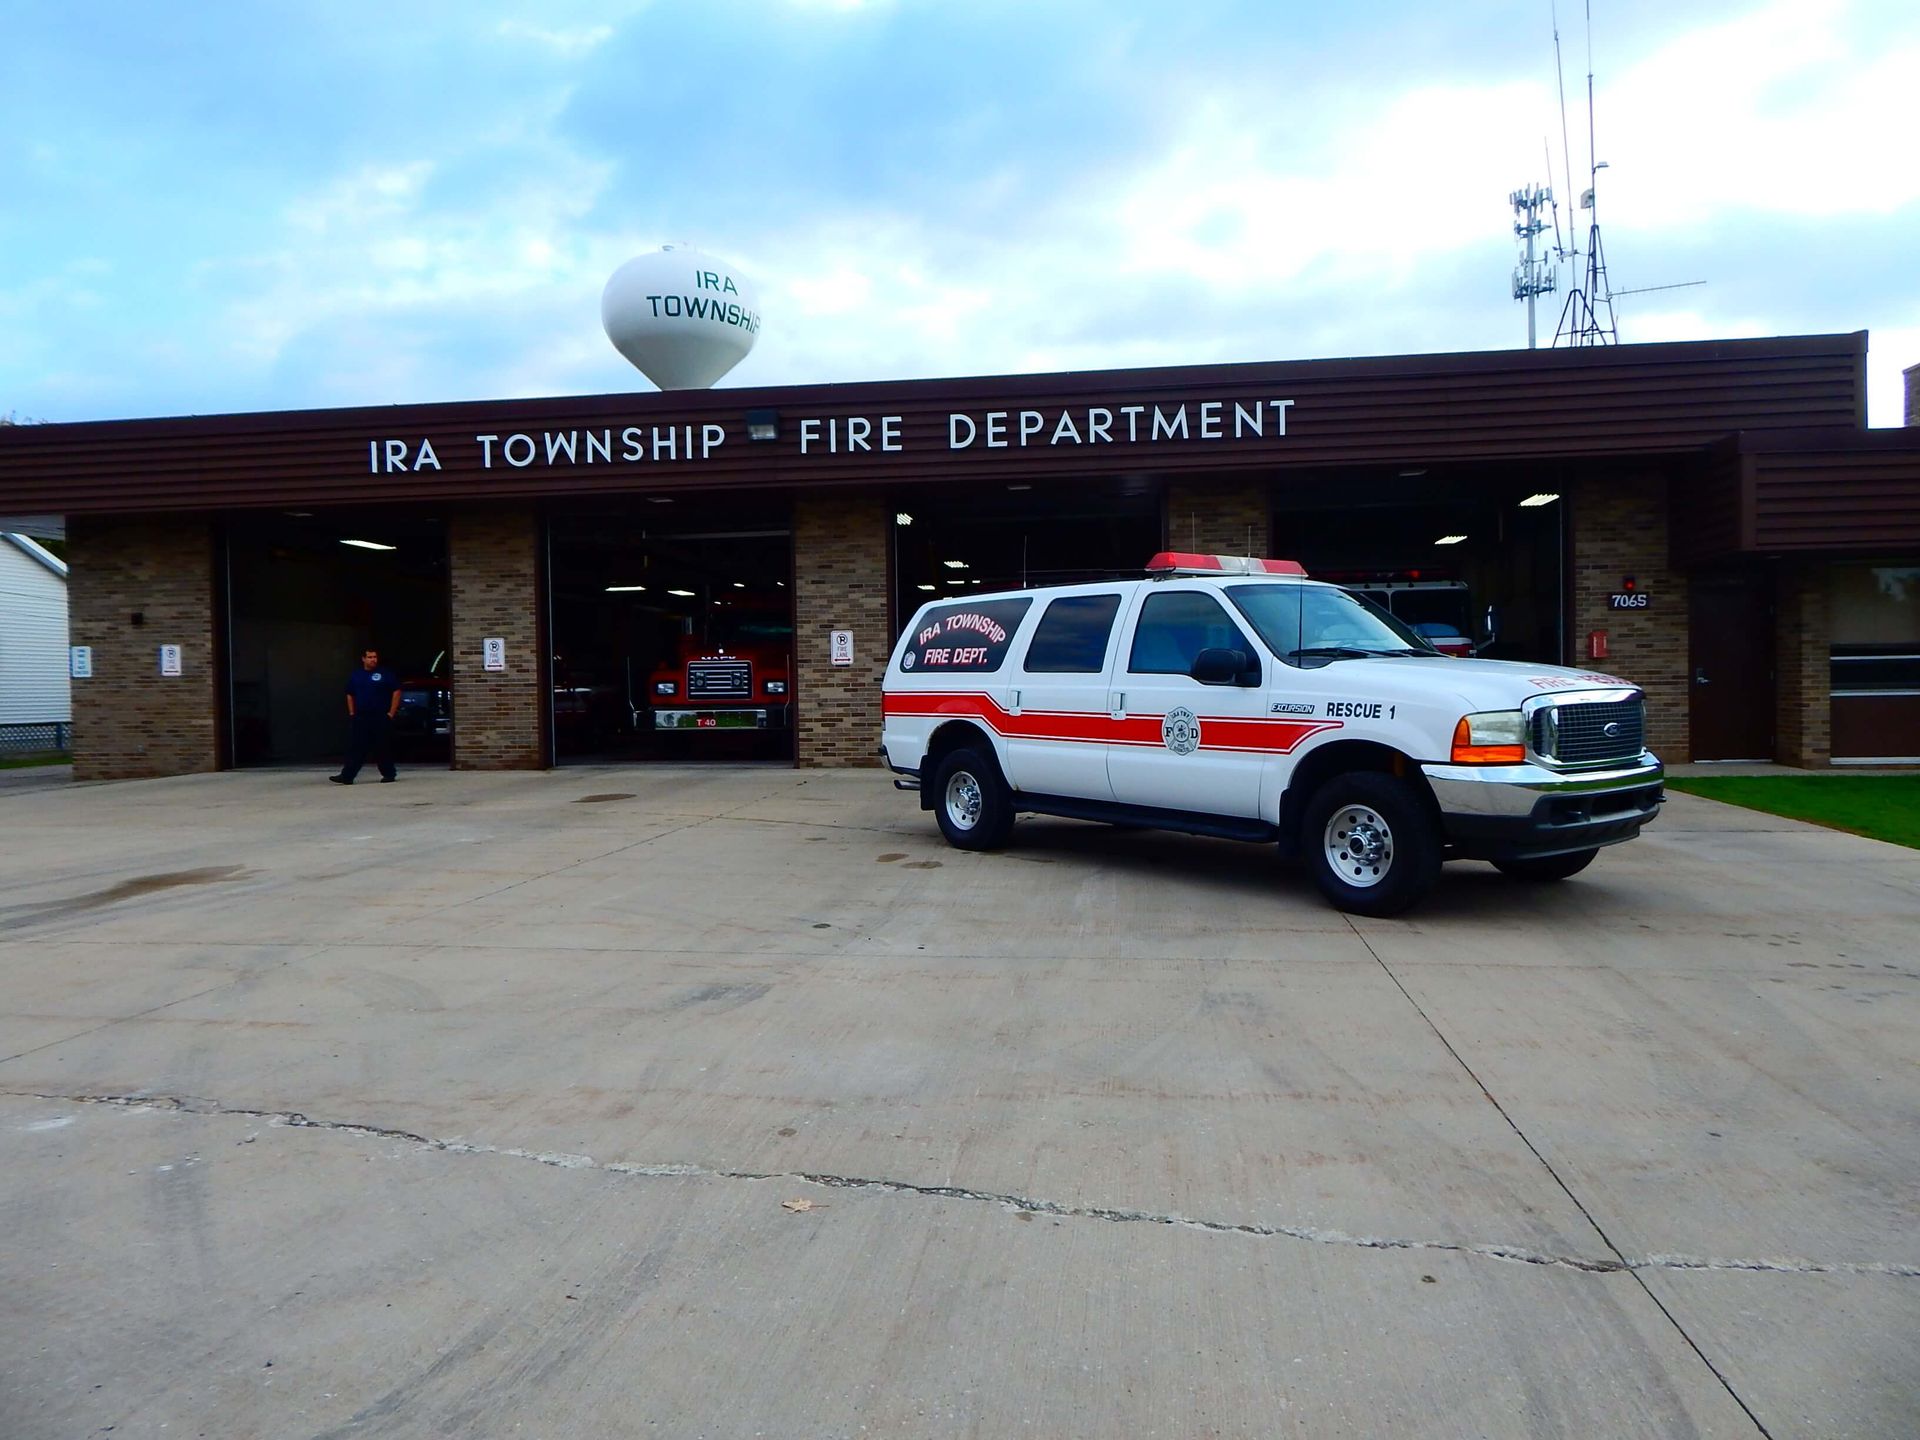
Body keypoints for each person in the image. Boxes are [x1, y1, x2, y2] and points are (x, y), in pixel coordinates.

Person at [330, 648, 401, 784]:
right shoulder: (356, 675)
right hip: (361, 717)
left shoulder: (385, 674)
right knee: (356, 747)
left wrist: (391, 713)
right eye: (369, 657)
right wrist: (352, 712)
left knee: (382, 746)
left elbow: (396, 691)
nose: (373, 659)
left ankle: (389, 774)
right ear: (363, 659)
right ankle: (347, 776)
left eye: (375, 657)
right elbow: (350, 694)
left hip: (380, 716)